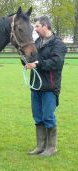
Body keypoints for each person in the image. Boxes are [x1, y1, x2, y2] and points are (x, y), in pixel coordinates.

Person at [25, 16, 67, 156]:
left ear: (45, 26)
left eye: (37, 26)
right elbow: (31, 59)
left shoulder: (58, 44)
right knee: (37, 116)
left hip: (50, 86)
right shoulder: (36, 42)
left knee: (48, 116)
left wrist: (37, 64)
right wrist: (25, 59)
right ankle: (40, 146)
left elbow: (56, 62)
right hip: (36, 86)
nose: (35, 30)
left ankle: (51, 147)